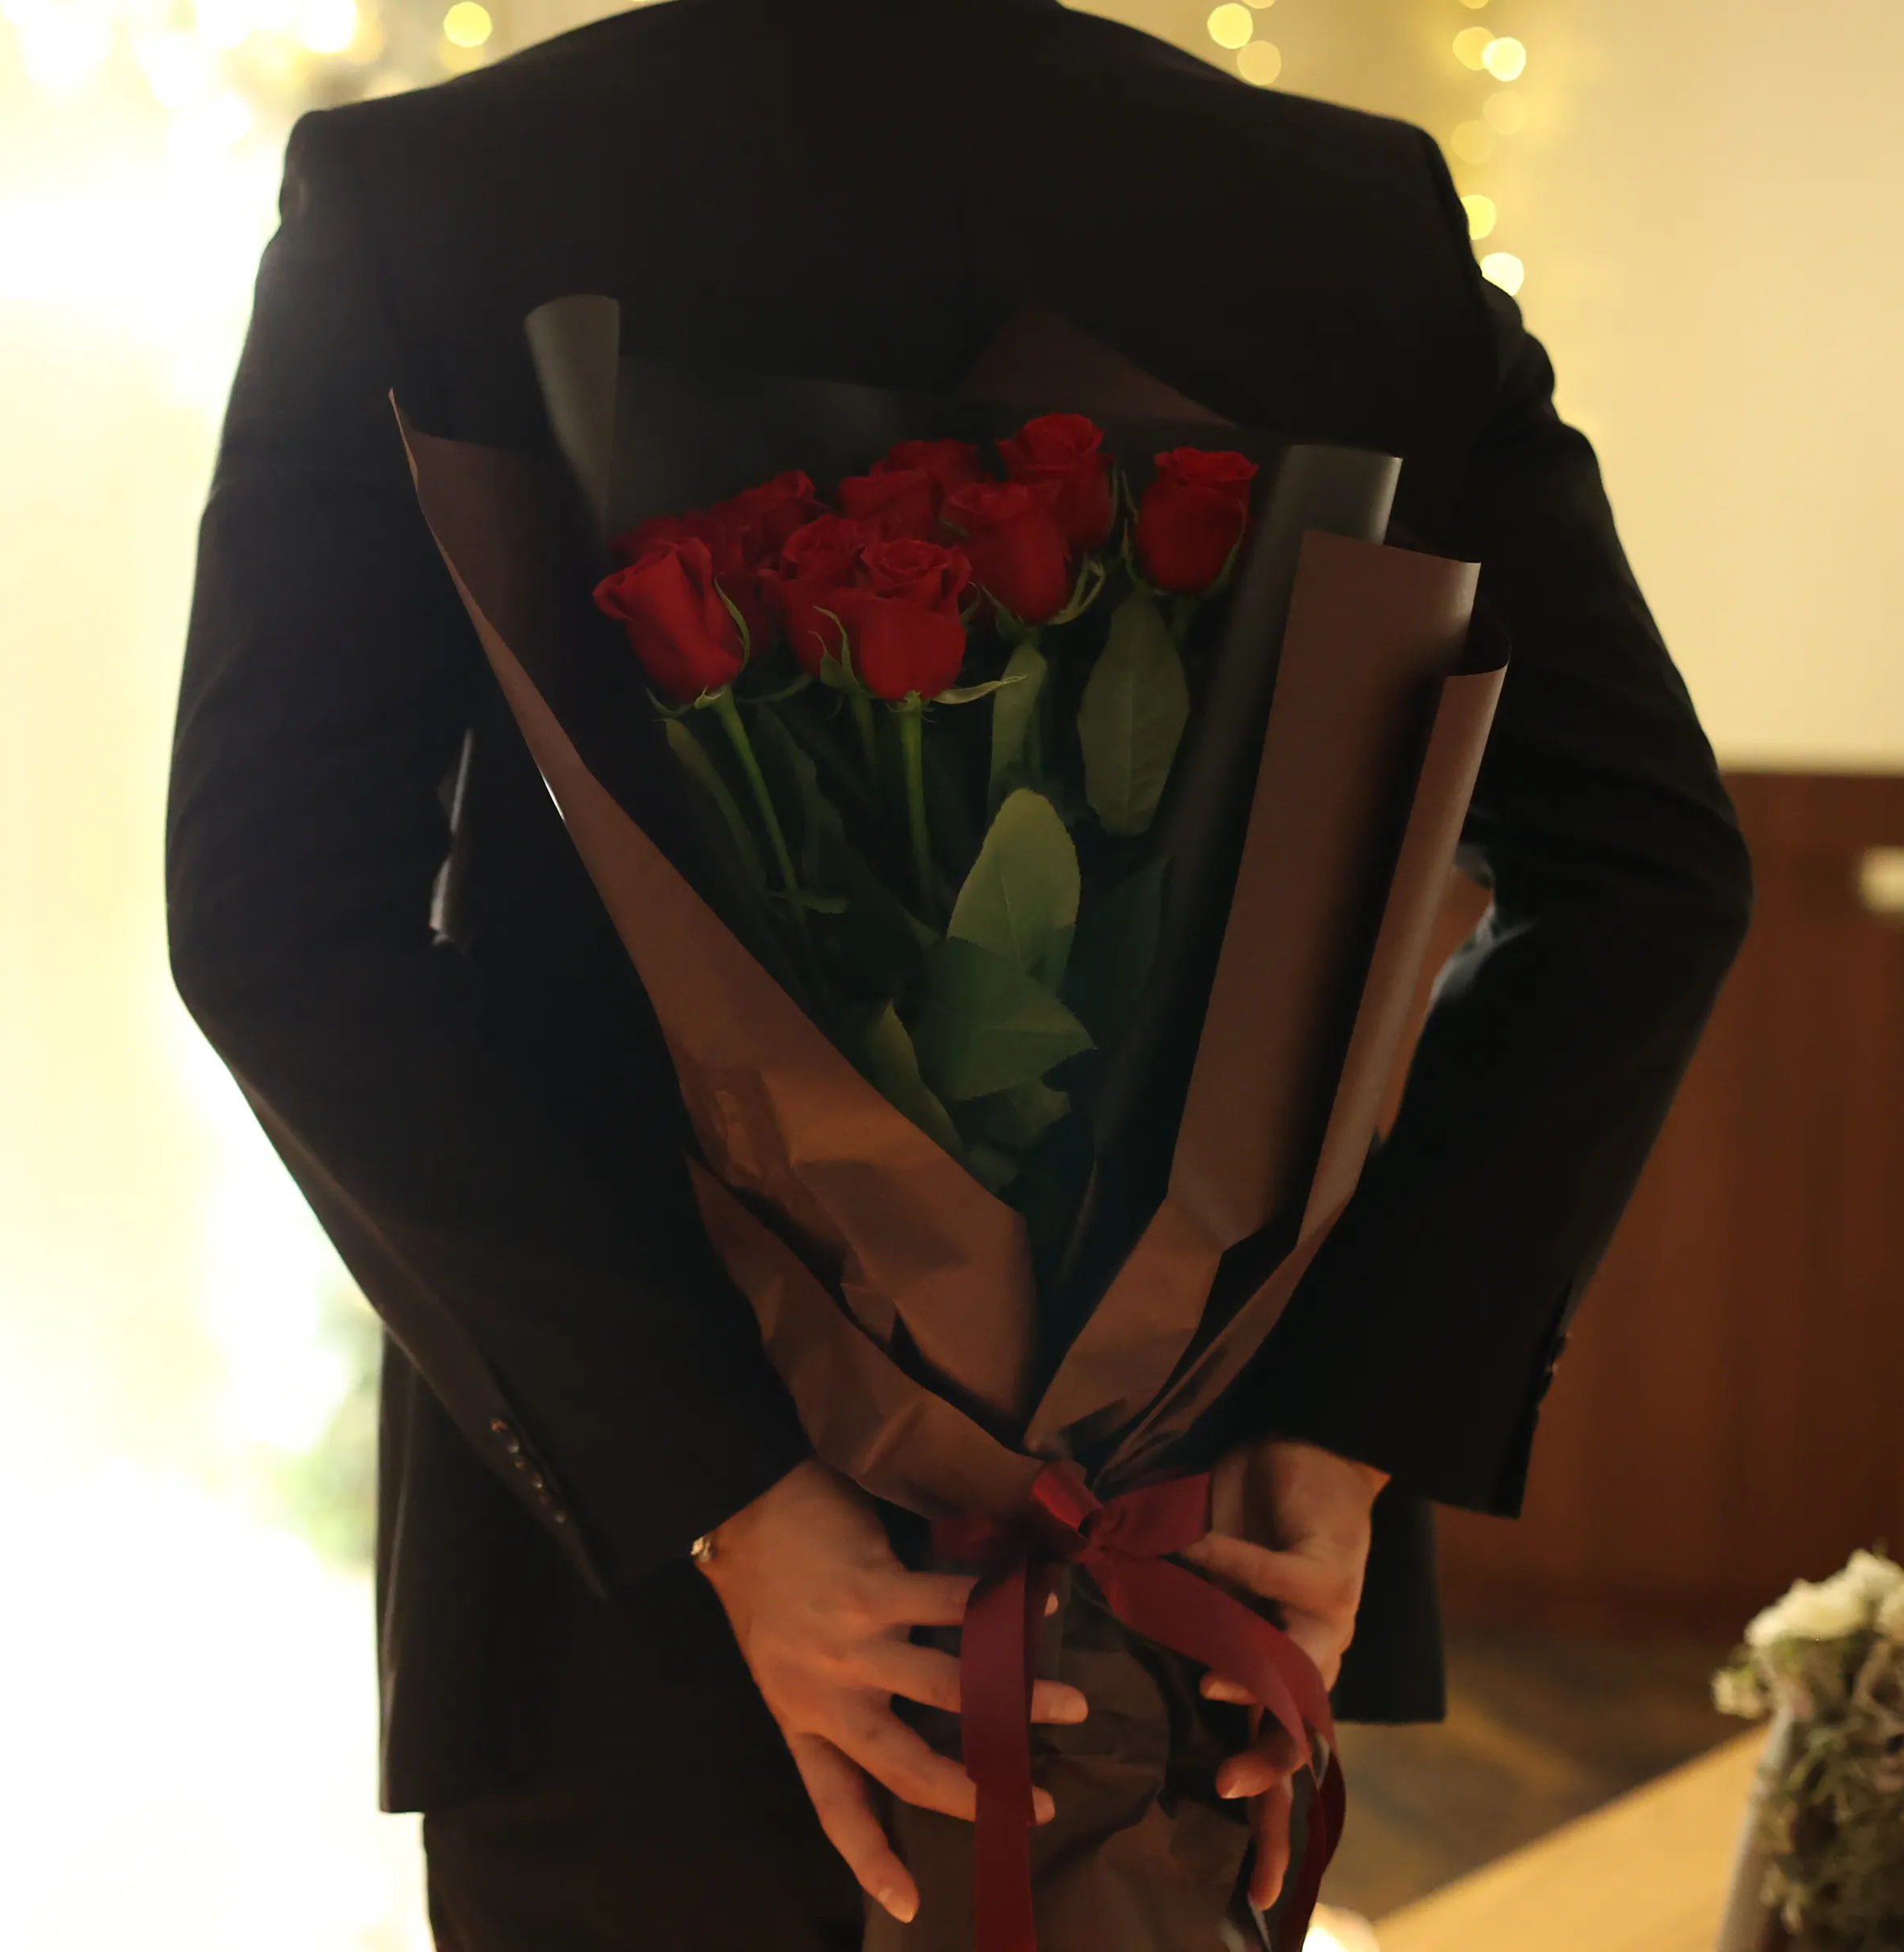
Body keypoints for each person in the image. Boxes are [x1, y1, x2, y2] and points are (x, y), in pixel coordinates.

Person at [168, 0, 1753, 1943]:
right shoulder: (1347, 218)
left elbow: (276, 917)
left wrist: (721, 1481)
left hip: (638, 1625)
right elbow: (1652, 873)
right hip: (1193, 1558)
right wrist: (1348, 1415)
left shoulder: (432, 201)